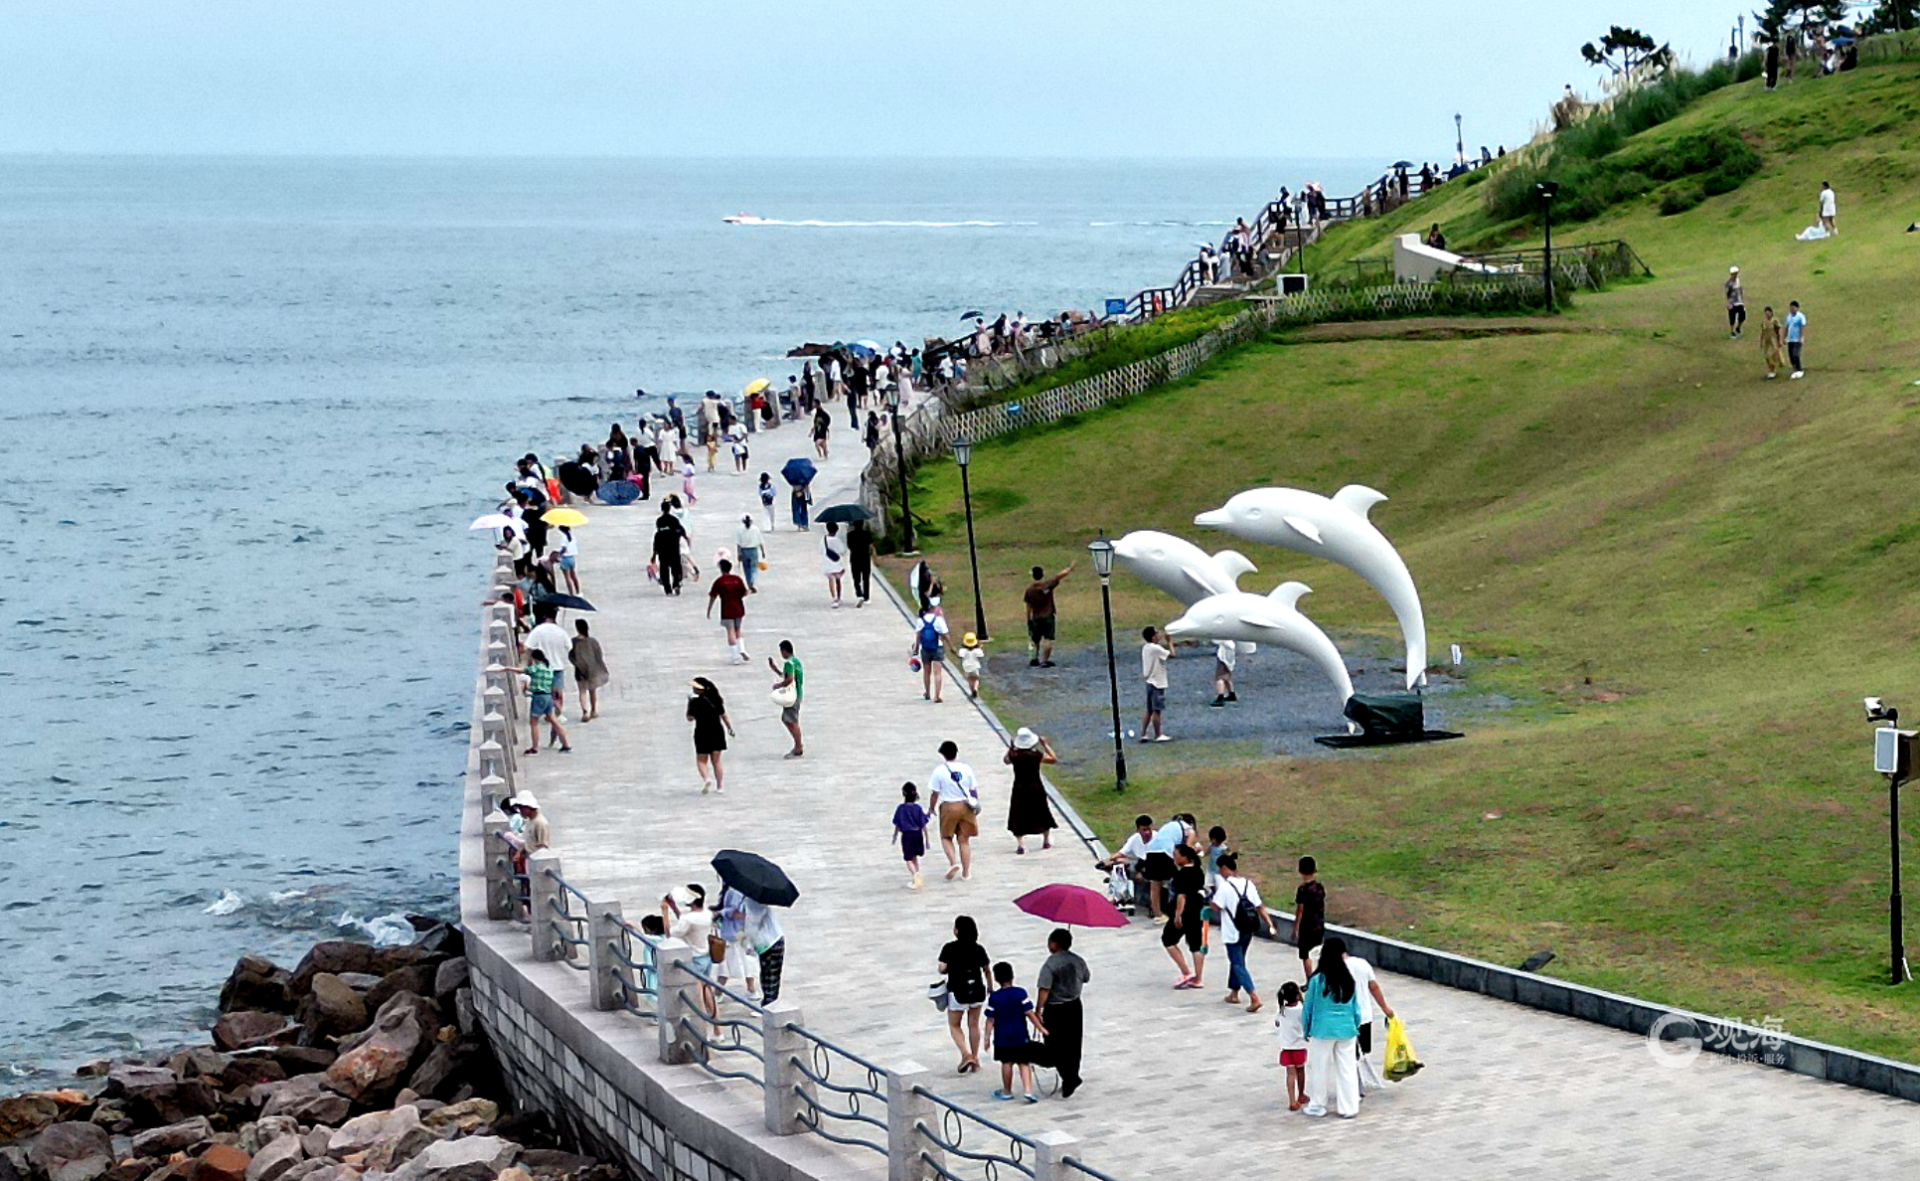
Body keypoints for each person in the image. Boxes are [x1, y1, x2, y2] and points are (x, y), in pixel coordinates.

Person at [1301, 935, 1362, 1118]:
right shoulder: (1348, 979)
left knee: (1319, 1068)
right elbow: (1356, 1009)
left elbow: (1308, 1008)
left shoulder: (1317, 980)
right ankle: (1349, 1107)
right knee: (1347, 1068)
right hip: (1347, 1030)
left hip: (1322, 1030)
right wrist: (1354, 1026)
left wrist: (1306, 1029)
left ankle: (1318, 1105)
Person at [1214, 853, 1275, 1012]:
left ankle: (1253, 997)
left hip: (1232, 931)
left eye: (1220, 869)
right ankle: (1234, 993)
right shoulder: (1248, 884)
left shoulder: (1225, 887)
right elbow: (1259, 906)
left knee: (1237, 963)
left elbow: (1216, 906)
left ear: (1225, 868)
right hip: (1247, 929)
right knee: (1239, 960)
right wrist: (1270, 924)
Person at [1033, 928, 1089, 1099]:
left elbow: (1044, 989)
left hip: (1055, 1009)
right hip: (1074, 1006)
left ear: (1054, 944)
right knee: (1073, 1044)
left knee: (1054, 1044)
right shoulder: (1078, 961)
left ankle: (1069, 1078)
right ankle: (1071, 1075)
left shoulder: (1050, 964)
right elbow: (1086, 977)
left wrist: (1038, 1010)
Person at [937, 915, 992, 1074]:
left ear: (957, 931)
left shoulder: (949, 948)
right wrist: (990, 987)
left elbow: (942, 968)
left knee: (955, 1025)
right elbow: (987, 969)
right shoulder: (979, 949)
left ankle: (965, 1054)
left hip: (958, 991)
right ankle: (975, 1058)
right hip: (977, 991)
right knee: (973, 1024)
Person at [1342, 942, 1396, 1094]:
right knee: (1364, 1051)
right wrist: (1385, 1008)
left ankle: (1356, 1084)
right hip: (1365, 1016)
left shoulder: (1333, 969)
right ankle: (1364, 1078)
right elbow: (1374, 987)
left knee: (1349, 1052)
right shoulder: (1362, 964)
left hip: (1345, 1018)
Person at [984, 962, 1041, 1103]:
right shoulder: (1020, 993)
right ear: (1012, 976)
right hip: (1020, 1035)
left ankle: (1007, 1091)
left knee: (1006, 1063)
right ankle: (1028, 1090)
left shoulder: (995, 998)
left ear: (997, 979)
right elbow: (1029, 1013)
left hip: (1002, 1037)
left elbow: (990, 1020)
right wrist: (1040, 1027)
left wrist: (986, 1038)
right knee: (1024, 1063)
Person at [503, 649, 572, 754]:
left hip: (538, 697)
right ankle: (566, 743)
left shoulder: (536, 668)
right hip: (548, 697)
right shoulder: (549, 670)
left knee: (533, 722)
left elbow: (522, 671)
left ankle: (535, 747)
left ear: (534, 658)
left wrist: (507, 668)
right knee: (553, 720)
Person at [929, 740, 981, 881]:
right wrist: (975, 804)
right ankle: (966, 872)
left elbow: (935, 793)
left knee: (946, 836)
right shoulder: (966, 768)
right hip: (965, 805)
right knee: (964, 840)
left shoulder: (939, 771)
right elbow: (973, 789)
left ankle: (953, 862)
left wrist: (931, 808)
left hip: (949, 806)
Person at [1002, 728, 1057, 854]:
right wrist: (1045, 745)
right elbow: (1053, 759)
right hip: (1035, 785)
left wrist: (1011, 748)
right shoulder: (1036, 755)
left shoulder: (1015, 755)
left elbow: (1005, 761)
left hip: (1020, 787)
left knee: (1018, 814)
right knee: (1042, 812)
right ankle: (1046, 839)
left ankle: (1021, 844)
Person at [663, 886, 716, 1017]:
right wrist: (674, 907)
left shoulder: (689, 919)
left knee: (699, 997)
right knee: (707, 990)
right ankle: (717, 1028)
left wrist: (664, 911)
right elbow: (685, 923)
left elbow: (669, 933)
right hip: (706, 956)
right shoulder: (707, 914)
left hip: (695, 958)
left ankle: (703, 1025)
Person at [1163, 844, 1206, 989]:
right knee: (1196, 944)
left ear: (1184, 857)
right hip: (1197, 910)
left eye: (1176, 855)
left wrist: (1177, 915)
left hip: (1185, 911)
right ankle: (1198, 978)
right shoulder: (1199, 871)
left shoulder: (1182, 874)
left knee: (1168, 939)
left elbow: (1182, 896)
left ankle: (1186, 971)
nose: (1174, 857)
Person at [685, 677, 734, 795]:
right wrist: (729, 728)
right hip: (717, 730)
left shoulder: (694, 701)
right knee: (716, 761)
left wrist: (690, 705)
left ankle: (707, 778)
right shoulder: (716, 699)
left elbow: (689, 718)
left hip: (702, 731)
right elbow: (723, 715)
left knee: (701, 760)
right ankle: (720, 786)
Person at [1022, 562, 1073, 667]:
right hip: (1048, 616)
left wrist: (1028, 619)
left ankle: (1034, 658)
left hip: (1036, 617)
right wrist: (1069, 569)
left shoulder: (1029, 590)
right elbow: (1058, 577)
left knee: (1035, 640)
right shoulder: (1047, 586)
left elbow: (1028, 606)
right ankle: (1045, 660)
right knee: (1048, 639)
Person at [712, 886, 759, 1001]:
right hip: (744, 930)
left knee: (726, 962)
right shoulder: (747, 890)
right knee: (745, 959)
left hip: (733, 932)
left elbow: (734, 912)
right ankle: (751, 989)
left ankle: (718, 992)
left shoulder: (734, 891)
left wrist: (719, 913)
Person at [742, 894, 787, 1003]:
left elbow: (752, 923)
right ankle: (769, 1004)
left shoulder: (753, 902)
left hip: (769, 943)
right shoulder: (751, 900)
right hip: (769, 942)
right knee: (768, 977)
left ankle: (769, 1007)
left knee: (770, 980)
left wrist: (747, 943)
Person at [706, 558, 750, 663]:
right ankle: (742, 649)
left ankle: (735, 656)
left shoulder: (719, 581)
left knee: (730, 631)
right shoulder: (737, 579)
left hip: (726, 608)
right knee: (738, 629)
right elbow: (745, 592)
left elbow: (713, 596)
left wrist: (709, 610)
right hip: (738, 607)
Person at [1275, 981, 1308, 1111]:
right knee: (1301, 1072)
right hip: (1299, 1047)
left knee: (1290, 1075)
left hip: (1286, 1048)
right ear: (1298, 995)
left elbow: (1277, 1024)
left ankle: (1292, 1100)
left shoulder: (1282, 1011)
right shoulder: (1301, 1010)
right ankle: (1301, 1095)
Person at [893, 782, 931, 889]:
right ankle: (916, 878)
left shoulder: (901, 808)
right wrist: (927, 840)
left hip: (907, 835)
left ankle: (915, 875)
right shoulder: (918, 808)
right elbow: (924, 825)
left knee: (908, 859)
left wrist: (895, 836)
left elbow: (897, 824)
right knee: (915, 857)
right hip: (918, 834)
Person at [1294, 856, 1327, 980]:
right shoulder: (1319, 887)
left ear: (1300, 871)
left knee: (1305, 954)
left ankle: (1310, 980)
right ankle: (1320, 977)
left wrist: (1295, 927)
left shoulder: (1302, 889)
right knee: (1317, 952)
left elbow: (1300, 910)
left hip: (1306, 926)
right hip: (1318, 923)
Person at [768, 640, 803, 758]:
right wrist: (775, 669)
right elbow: (787, 675)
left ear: (784, 651)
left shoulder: (788, 663)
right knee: (790, 719)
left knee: (790, 721)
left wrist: (778, 685)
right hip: (798, 693)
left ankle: (798, 747)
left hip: (792, 695)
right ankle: (798, 745)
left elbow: (789, 679)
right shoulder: (796, 661)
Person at [568, 619, 608, 722]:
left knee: (582, 691)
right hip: (592, 670)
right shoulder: (593, 642)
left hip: (579, 670)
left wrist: (577, 664)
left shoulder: (573, 642)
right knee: (592, 690)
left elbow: (571, 656)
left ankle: (584, 711)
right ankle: (594, 710)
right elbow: (599, 655)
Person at [1139, 626, 1173, 742]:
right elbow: (1172, 655)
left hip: (1149, 681)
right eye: (1157, 633)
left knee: (1149, 709)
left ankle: (1143, 733)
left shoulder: (1146, 648)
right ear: (1153, 637)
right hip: (1158, 683)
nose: (1159, 635)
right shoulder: (1156, 649)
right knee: (1157, 710)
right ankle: (1158, 734)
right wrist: (1170, 642)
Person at [911, 607, 950, 702]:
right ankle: (937, 695)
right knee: (937, 673)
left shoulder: (921, 620)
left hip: (925, 648)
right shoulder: (938, 620)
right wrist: (951, 647)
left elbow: (918, 636)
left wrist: (916, 648)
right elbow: (945, 635)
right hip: (937, 647)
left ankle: (927, 692)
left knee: (926, 672)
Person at [652, 507, 688, 596]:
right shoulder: (674, 520)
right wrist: (684, 538)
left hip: (663, 549)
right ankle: (676, 583)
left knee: (664, 569)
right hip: (673, 547)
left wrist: (654, 553)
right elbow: (681, 530)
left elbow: (657, 537)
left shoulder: (659, 520)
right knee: (676, 568)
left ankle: (667, 589)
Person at [734, 515, 764, 593]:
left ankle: (749, 583)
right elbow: (760, 541)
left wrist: (739, 553)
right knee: (753, 568)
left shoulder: (739, 530)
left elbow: (738, 544)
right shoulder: (755, 529)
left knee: (746, 569)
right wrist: (763, 552)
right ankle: (752, 582)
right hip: (753, 550)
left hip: (744, 551)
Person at [847, 521, 873, 606]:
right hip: (865, 558)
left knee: (856, 578)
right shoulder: (867, 534)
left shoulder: (850, 535)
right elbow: (870, 546)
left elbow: (849, 546)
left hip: (855, 558)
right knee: (866, 578)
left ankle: (859, 593)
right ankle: (867, 596)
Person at [821, 522, 847, 608]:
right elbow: (842, 551)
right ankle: (839, 597)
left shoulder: (823, 539)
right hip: (836, 563)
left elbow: (821, 550)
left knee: (830, 580)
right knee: (838, 581)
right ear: (837, 530)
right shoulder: (837, 540)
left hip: (827, 563)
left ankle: (834, 597)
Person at [1762, 306, 1788, 380]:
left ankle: (1773, 370)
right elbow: (1763, 332)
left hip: (1773, 340)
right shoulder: (1764, 322)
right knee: (1767, 356)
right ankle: (1771, 369)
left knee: (1773, 355)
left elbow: (1778, 331)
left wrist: (1779, 340)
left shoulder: (1774, 321)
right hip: (1767, 341)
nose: (1767, 315)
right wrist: (1761, 341)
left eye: (1768, 313)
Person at [1209, 640, 1237, 708]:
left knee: (1220, 678)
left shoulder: (1223, 640)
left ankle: (1220, 698)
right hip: (1229, 659)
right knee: (1227, 677)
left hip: (1223, 658)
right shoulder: (1231, 642)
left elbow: (1215, 640)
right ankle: (1231, 694)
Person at [957, 631, 986, 698]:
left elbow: (960, 656)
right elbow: (981, 656)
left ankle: (972, 690)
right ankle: (975, 688)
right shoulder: (977, 650)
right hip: (975, 667)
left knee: (970, 680)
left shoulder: (962, 650)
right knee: (976, 679)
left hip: (966, 667)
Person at [1786, 300, 1807, 379]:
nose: (1791, 309)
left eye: (1793, 308)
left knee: (1795, 354)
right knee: (1791, 356)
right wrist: (1784, 337)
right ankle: (1794, 369)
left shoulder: (1800, 316)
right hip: (1790, 339)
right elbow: (1787, 327)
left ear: (1797, 308)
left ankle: (1799, 370)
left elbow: (1802, 327)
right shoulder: (1789, 317)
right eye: (1790, 308)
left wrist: (1801, 337)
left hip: (1797, 339)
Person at [1725, 266, 1746, 339]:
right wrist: (1728, 303)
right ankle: (1732, 332)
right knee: (1732, 317)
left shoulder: (1738, 280)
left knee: (1743, 316)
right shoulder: (1729, 283)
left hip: (1739, 301)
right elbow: (1727, 294)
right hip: (1732, 303)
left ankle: (1738, 327)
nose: (1735, 275)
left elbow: (1740, 289)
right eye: (1734, 273)